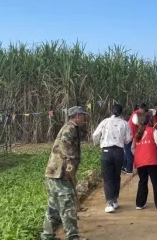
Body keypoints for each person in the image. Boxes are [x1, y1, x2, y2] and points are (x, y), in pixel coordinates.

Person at [41, 106, 90, 240]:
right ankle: (72, 237)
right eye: (83, 116)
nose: (84, 118)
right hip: (59, 174)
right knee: (68, 204)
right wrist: (69, 162)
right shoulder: (70, 128)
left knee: (53, 206)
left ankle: (47, 236)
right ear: (78, 116)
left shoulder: (70, 127)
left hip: (54, 173)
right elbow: (65, 144)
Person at [92, 103, 132, 213]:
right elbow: (128, 139)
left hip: (106, 151)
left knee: (107, 177)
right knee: (116, 176)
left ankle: (109, 203)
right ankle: (114, 200)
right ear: (121, 112)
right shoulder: (124, 123)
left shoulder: (105, 122)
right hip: (119, 151)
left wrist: (97, 143)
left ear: (111, 111)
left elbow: (95, 135)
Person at [133, 112, 157, 212]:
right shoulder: (152, 131)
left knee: (142, 182)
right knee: (156, 182)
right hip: (152, 161)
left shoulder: (137, 134)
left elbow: (133, 148)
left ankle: (140, 203)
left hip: (140, 161)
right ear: (149, 120)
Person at [123, 103, 147, 174]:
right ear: (141, 109)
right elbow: (136, 122)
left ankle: (124, 167)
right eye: (144, 110)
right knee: (129, 152)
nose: (143, 112)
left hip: (129, 136)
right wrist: (141, 125)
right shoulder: (135, 114)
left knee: (127, 152)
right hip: (130, 136)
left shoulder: (136, 114)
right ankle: (129, 169)